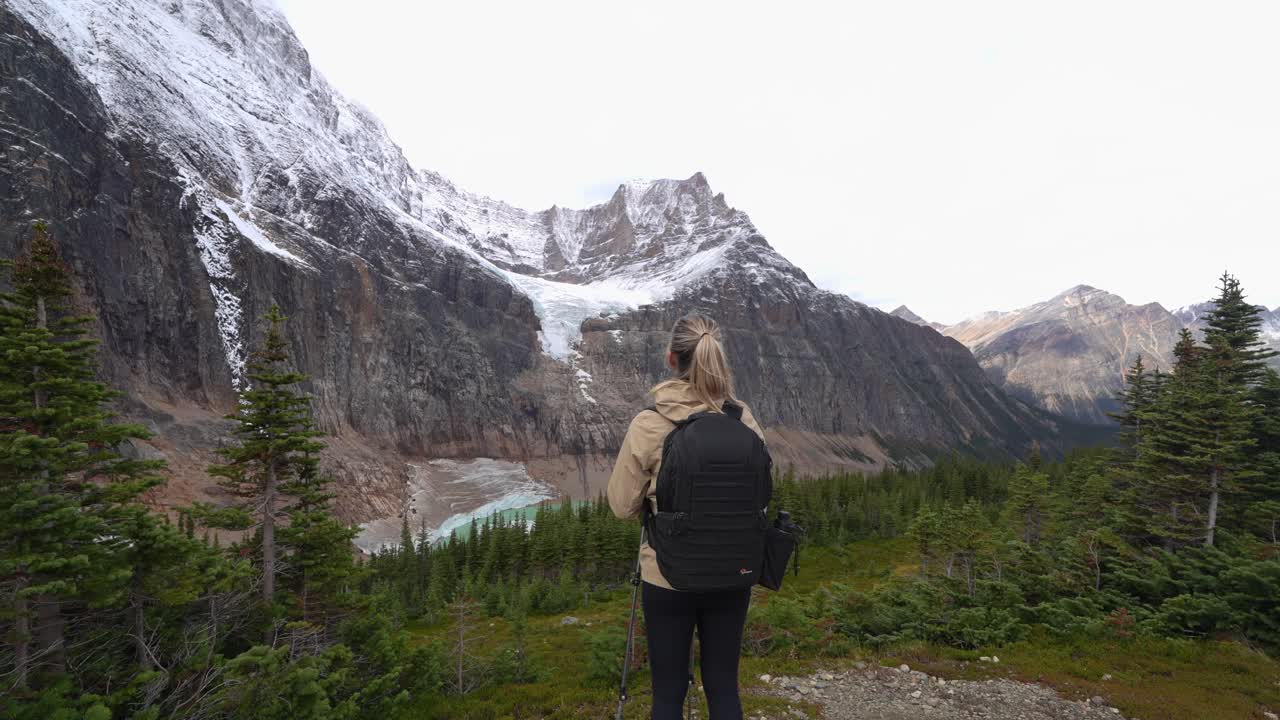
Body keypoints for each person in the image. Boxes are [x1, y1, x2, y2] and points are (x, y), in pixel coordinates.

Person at [607, 314, 766, 720]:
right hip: (735, 570)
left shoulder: (650, 422)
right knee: (723, 686)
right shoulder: (743, 419)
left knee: (668, 692)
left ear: (671, 359)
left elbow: (622, 505)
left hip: (666, 574)